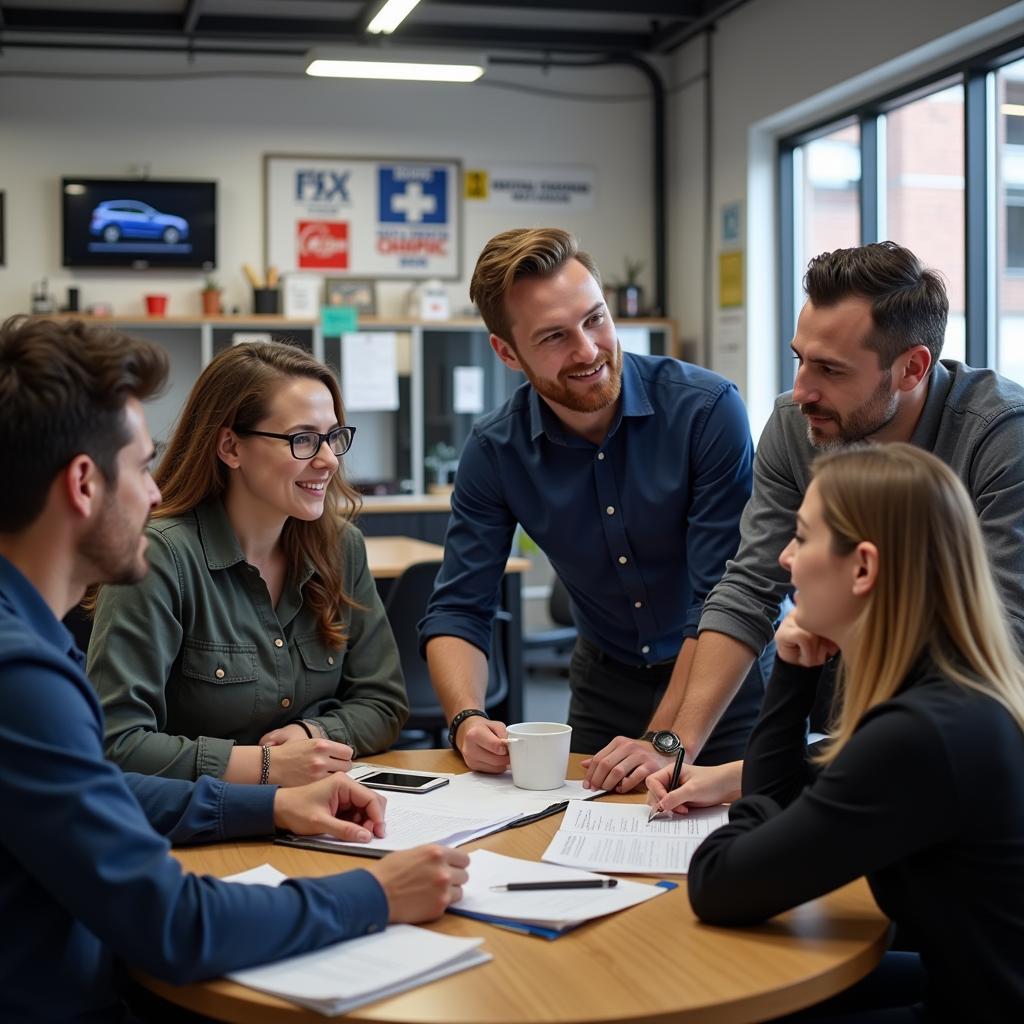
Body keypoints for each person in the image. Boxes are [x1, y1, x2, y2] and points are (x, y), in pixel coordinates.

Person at [0, 315, 468, 1023]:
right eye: (140, 466)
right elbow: (175, 924)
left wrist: (274, 803)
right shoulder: (22, 676)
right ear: (84, 484)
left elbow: (107, 788)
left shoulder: (29, 645)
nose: (155, 493)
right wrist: (376, 894)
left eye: (332, 439)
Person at [589, 240, 1024, 790]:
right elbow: (750, 584)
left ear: (912, 368)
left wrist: (770, 775)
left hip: (973, 742)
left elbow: (1000, 640)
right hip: (847, 725)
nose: (801, 391)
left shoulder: (1002, 437)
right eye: (799, 359)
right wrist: (674, 748)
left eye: (830, 369)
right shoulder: (799, 425)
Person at [666, 443, 1024, 1021]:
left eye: (802, 537)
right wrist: (794, 670)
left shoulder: (920, 733)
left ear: (863, 567)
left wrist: (754, 802)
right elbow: (791, 795)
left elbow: (719, 885)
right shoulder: (951, 695)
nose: (785, 557)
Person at [419, 227, 762, 784]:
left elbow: (722, 600)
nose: (587, 350)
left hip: (726, 680)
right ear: (506, 351)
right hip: (606, 684)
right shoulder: (495, 450)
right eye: (553, 336)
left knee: (751, 854)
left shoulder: (706, 411)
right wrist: (466, 719)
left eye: (595, 318)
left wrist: (667, 739)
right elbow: (461, 606)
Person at [88, 341, 408, 784]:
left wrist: (311, 733)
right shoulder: (159, 556)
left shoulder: (340, 546)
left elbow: (384, 701)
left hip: (317, 812)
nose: (329, 460)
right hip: (198, 829)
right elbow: (114, 743)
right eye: (302, 439)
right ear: (231, 447)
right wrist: (265, 768)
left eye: (334, 436)